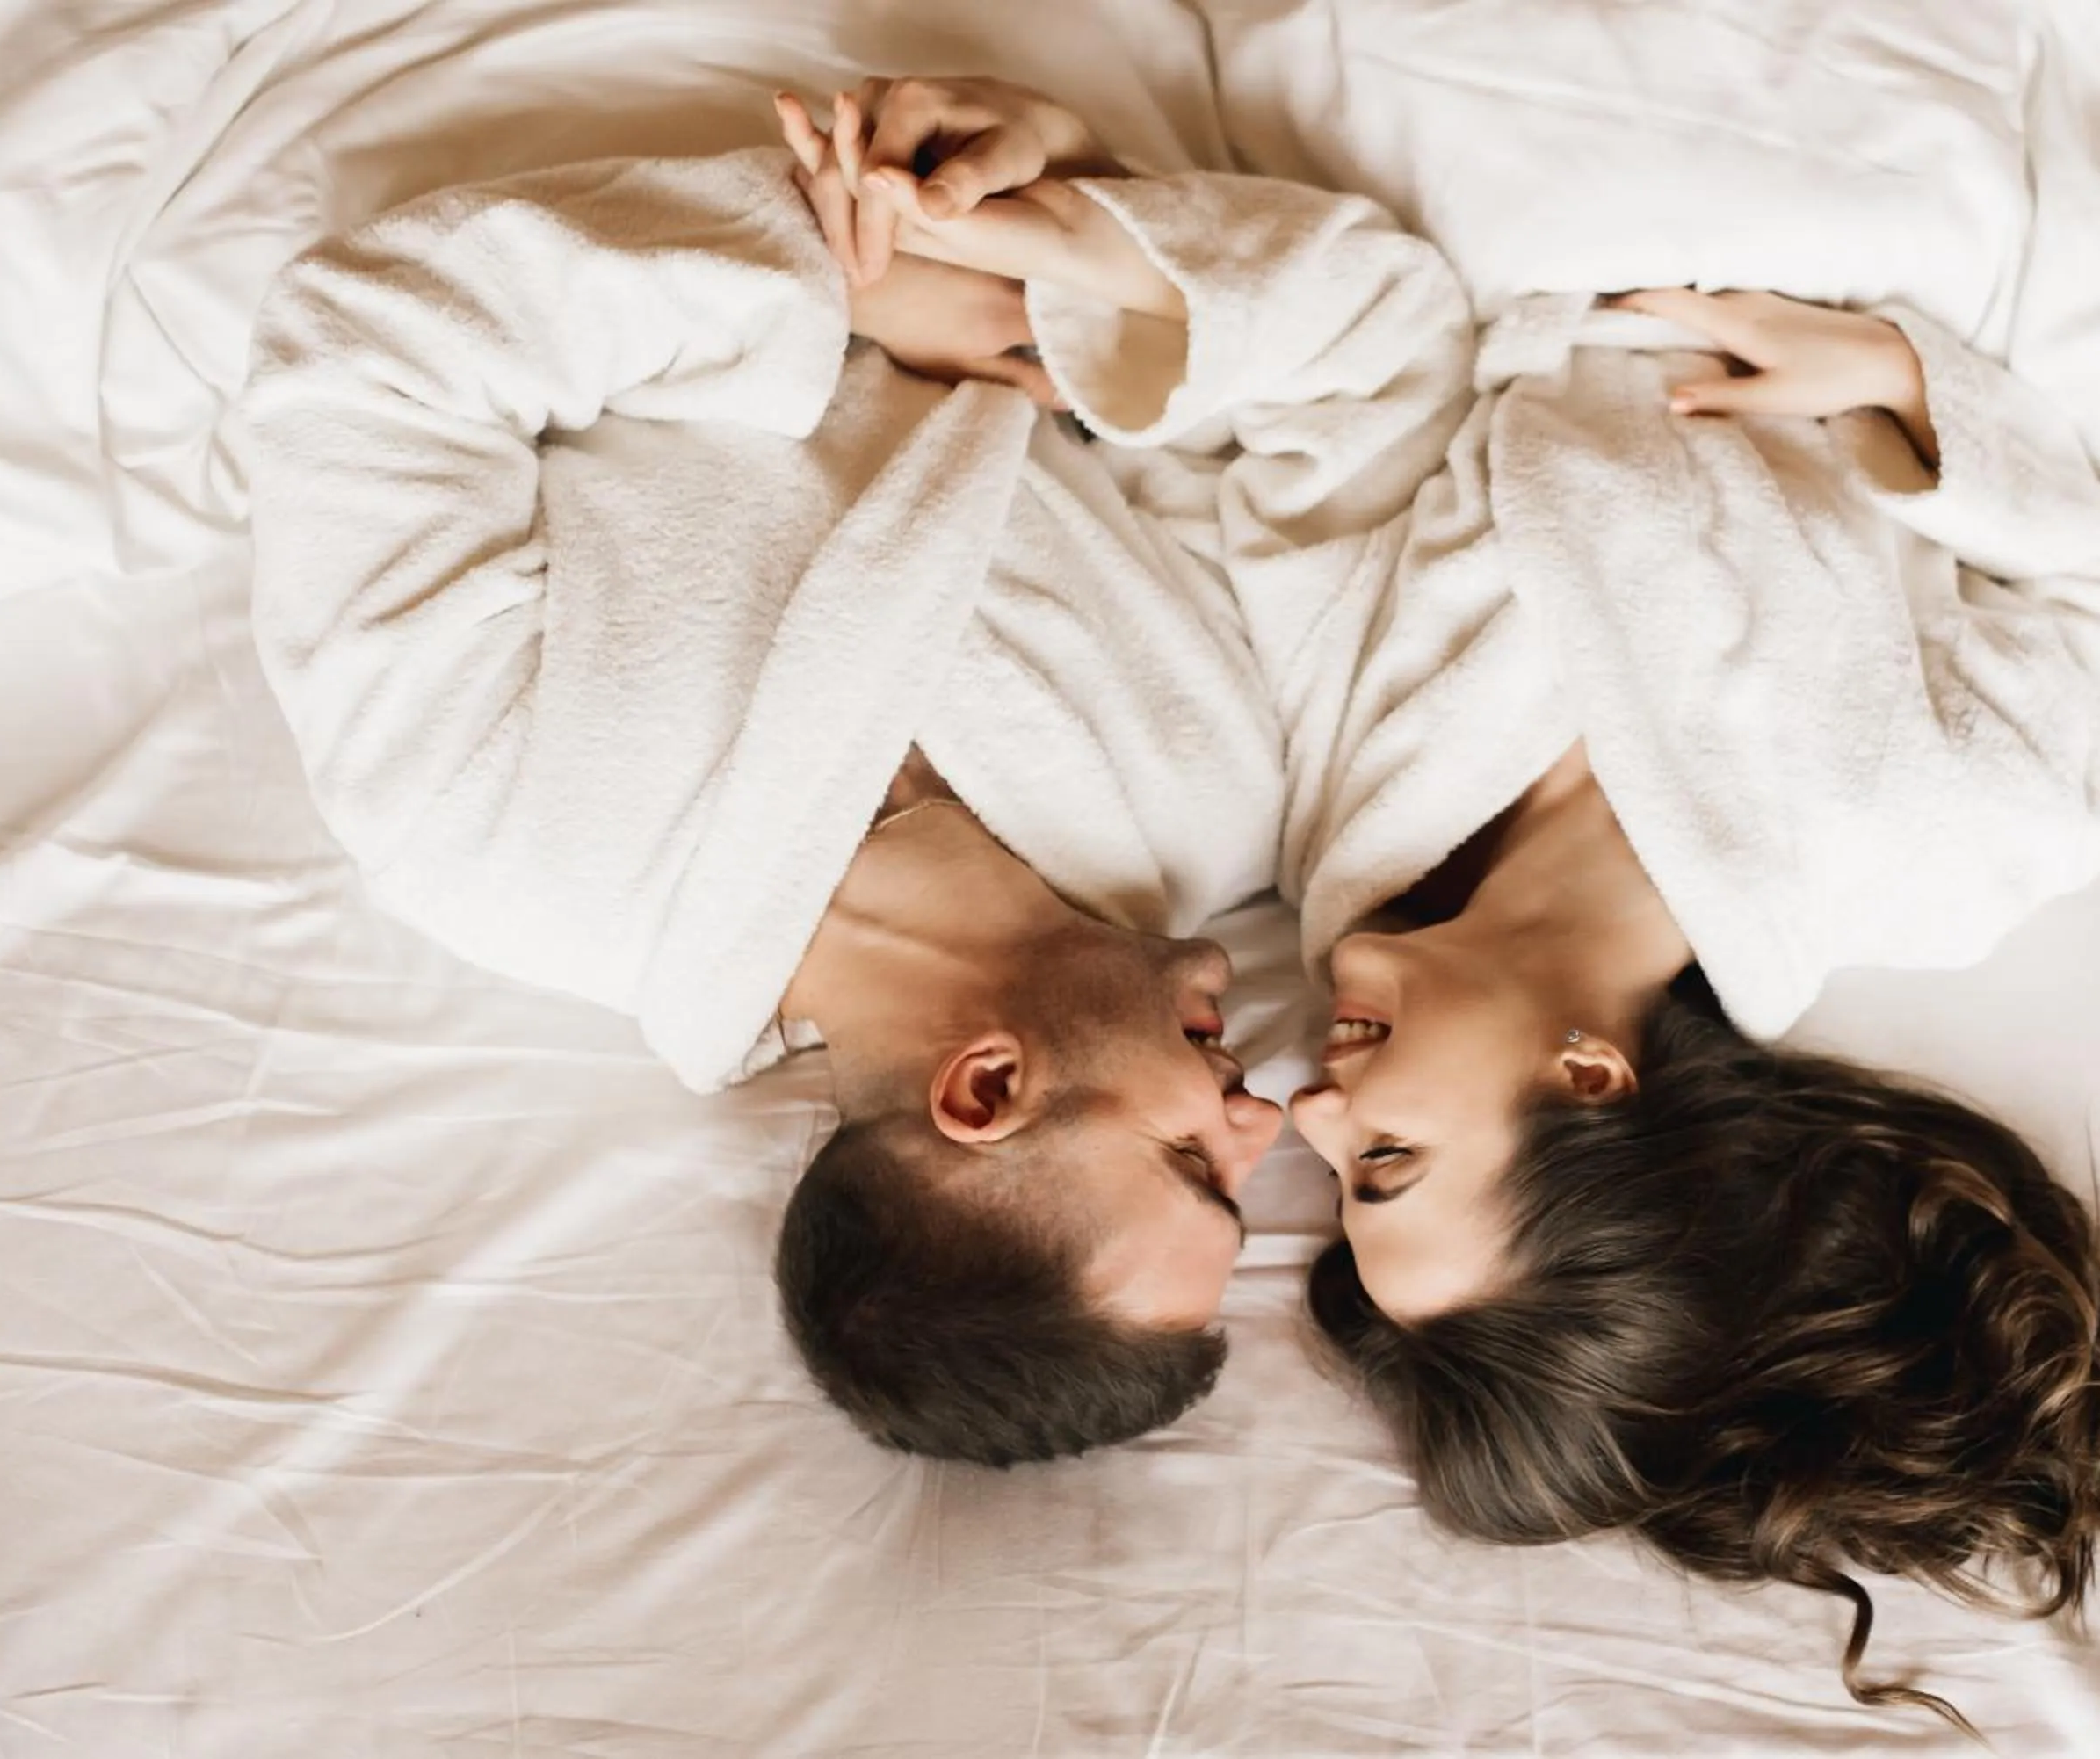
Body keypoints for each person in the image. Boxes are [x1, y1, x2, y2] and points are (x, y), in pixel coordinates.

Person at [240, 76, 1473, 1466]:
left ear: (985, 1089)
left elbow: (363, 347)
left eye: (1199, 1164)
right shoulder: (1219, 788)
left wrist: (826, 290)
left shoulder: (491, 836)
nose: (1266, 1119)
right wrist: (1051, 227)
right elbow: (1353, 377)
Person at [1271, 286, 2100, 1723]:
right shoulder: (1918, 851)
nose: (1309, 1107)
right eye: (1382, 1160)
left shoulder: (1336, 804)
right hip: (1830, 239)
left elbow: (1304, 414)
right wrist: (1900, 392)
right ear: (1593, 1083)